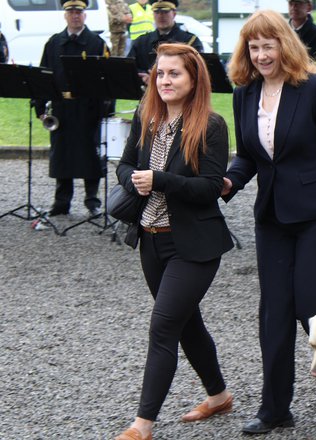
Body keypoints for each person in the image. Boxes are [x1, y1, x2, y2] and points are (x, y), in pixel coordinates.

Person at [222, 9, 316, 435]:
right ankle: (275, 408)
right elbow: (248, 155)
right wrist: (228, 182)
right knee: (273, 313)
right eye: (254, 47)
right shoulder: (244, 94)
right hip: (272, 218)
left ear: (285, 45)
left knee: (311, 307)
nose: (261, 55)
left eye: (269, 45)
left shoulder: (315, 88)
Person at [114, 43, 235, 440]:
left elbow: (211, 187)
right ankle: (218, 395)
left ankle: (142, 425)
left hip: (196, 245)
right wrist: (133, 178)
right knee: (186, 325)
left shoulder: (211, 125)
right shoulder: (145, 116)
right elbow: (125, 165)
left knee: (163, 327)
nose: (165, 80)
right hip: (151, 240)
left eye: (174, 74)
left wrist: (160, 180)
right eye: (160, 73)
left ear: (193, 78)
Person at [34, 0, 109, 222]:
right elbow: (43, 74)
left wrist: (105, 110)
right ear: (65, 16)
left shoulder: (96, 43)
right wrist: (40, 106)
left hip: (88, 107)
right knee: (62, 154)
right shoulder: (54, 42)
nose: (75, 16)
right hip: (61, 108)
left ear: (85, 16)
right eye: (71, 12)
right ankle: (61, 202)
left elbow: (106, 78)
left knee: (90, 154)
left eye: (79, 12)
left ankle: (92, 202)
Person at [127, 0, 203, 84]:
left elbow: (196, 70)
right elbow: (130, 67)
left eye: (165, 12)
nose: (161, 16)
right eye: (157, 12)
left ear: (174, 14)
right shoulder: (142, 42)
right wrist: (143, 76)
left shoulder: (190, 41)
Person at [287, 0, 316, 77]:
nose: (294, 7)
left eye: (298, 3)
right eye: (291, 3)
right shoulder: (280, 33)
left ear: (309, 7)